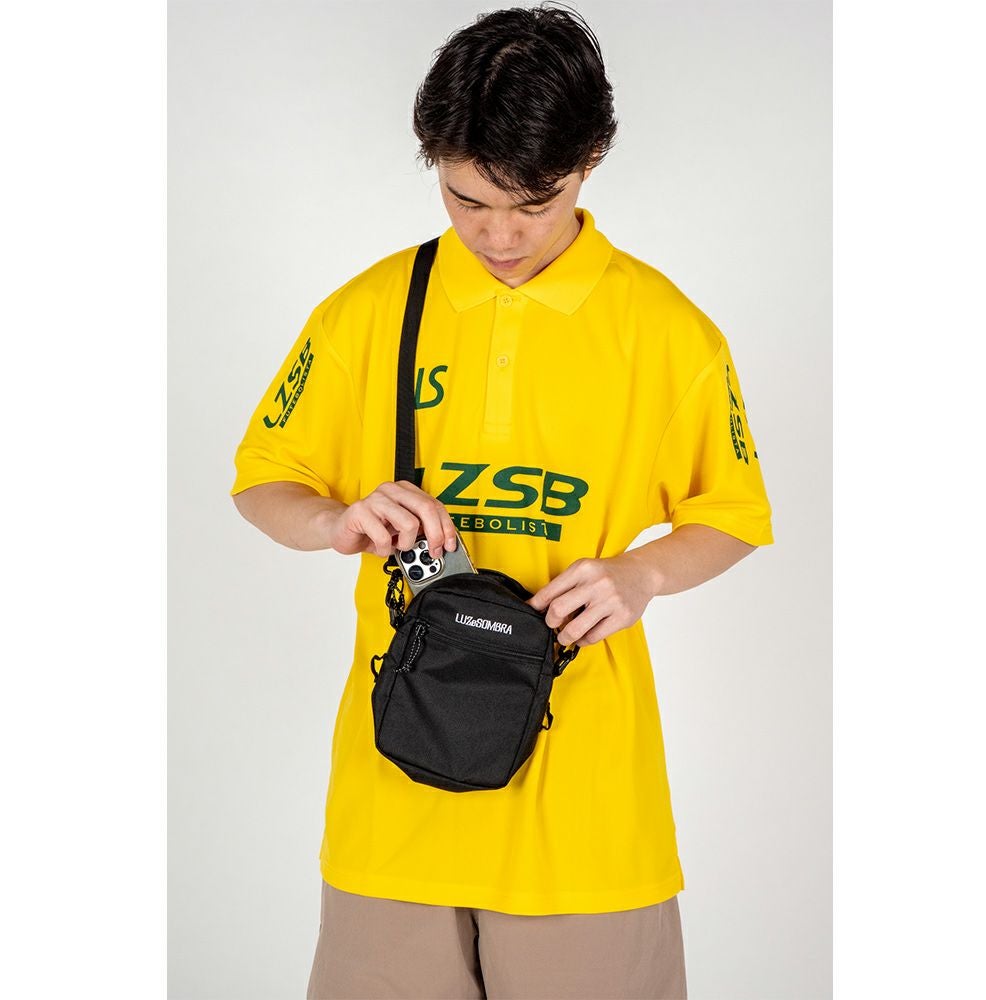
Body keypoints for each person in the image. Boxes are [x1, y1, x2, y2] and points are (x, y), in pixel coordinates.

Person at [230, 5, 772, 997]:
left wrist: (642, 572)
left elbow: (732, 513)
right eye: (465, 198)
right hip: (394, 803)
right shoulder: (368, 310)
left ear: (590, 158)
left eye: (534, 202)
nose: (499, 234)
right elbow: (264, 475)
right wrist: (332, 521)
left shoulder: (666, 331)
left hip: (584, 817)